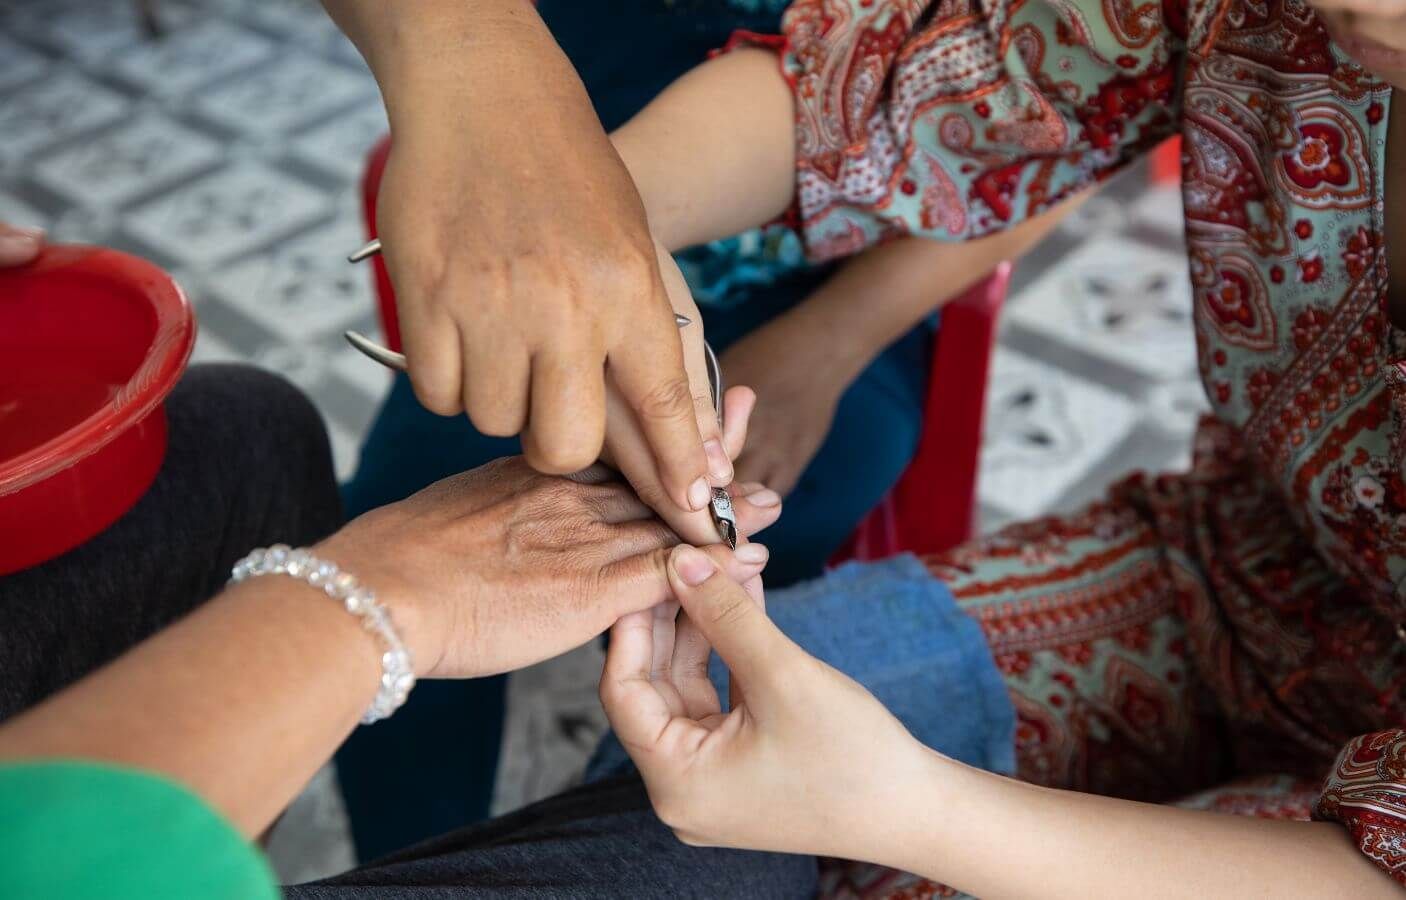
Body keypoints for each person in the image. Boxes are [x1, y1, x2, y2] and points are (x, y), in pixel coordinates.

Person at [569, 0, 1406, 892]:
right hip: (1241, 579)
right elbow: (903, 92)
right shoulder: (1249, 16)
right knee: (661, 777)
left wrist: (906, 808)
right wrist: (587, 223)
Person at [328, 0, 1077, 856]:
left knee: (788, 533)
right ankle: (410, 855)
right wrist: (585, 221)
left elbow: (1057, 121)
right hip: (592, 211)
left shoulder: (1048, 72)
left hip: (833, 288)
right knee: (411, 516)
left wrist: (828, 339)